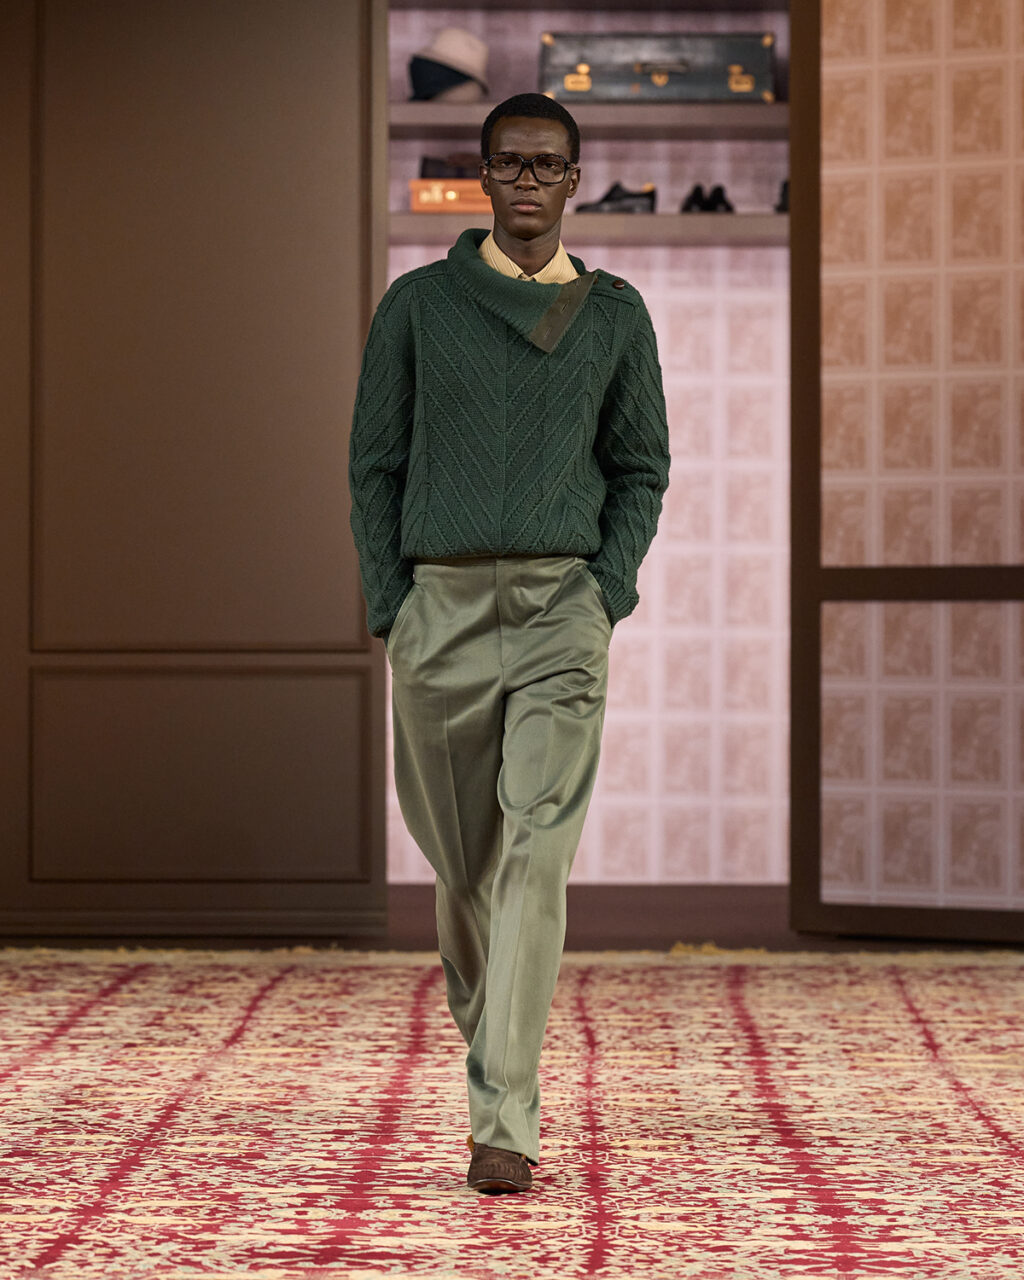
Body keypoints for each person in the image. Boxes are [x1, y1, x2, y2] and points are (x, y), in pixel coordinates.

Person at [349, 92, 669, 1194]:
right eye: (510, 163)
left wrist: (603, 592)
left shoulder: (615, 315)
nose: (528, 180)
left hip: (557, 611)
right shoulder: (416, 306)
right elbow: (373, 465)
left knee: (535, 849)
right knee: (466, 868)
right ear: (483, 176)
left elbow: (640, 467)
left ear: (574, 180)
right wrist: (393, 606)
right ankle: (501, 1048)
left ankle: (504, 1115)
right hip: (436, 612)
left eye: (548, 164)